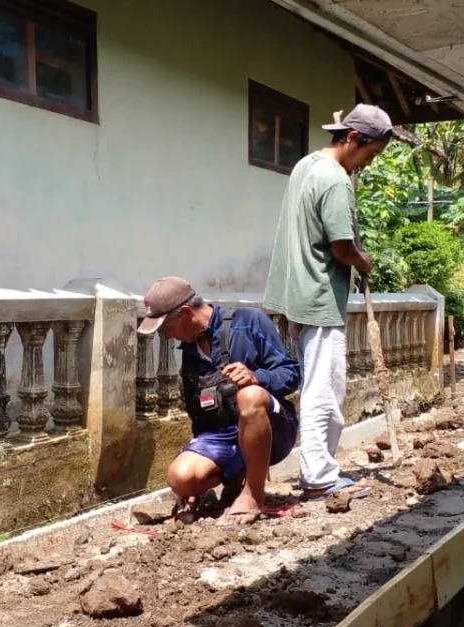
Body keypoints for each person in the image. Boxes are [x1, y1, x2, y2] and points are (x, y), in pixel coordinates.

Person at [263, 104, 391, 501]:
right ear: (352, 139)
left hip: (294, 294)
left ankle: (318, 469)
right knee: (325, 388)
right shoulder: (336, 180)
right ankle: (319, 475)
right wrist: (363, 260)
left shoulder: (305, 165)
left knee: (318, 384)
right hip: (319, 297)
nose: (367, 165)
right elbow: (340, 247)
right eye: (369, 155)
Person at [138, 277, 301, 525]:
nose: (167, 335)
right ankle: (234, 478)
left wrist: (257, 376)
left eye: (165, 326)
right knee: (180, 479)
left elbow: (292, 374)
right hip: (225, 435)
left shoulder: (248, 322)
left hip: (275, 427)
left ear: (184, 313)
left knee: (250, 395)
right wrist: (194, 485)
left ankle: (253, 496)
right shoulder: (190, 354)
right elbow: (200, 417)